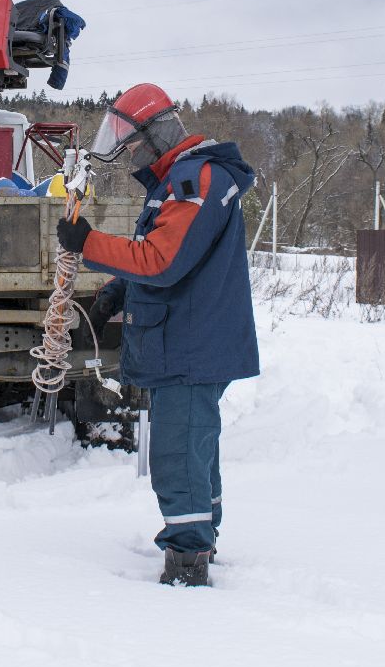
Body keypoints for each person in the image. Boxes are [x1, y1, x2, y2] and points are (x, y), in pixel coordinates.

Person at [57, 84, 259, 587]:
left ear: (154, 133)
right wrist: (118, 289)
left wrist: (88, 244)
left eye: (131, 142)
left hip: (189, 345)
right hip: (190, 340)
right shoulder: (182, 181)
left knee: (178, 453)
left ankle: (188, 562)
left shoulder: (195, 180)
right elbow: (166, 252)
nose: (128, 153)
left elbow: (162, 261)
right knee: (195, 449)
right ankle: (202, 537)